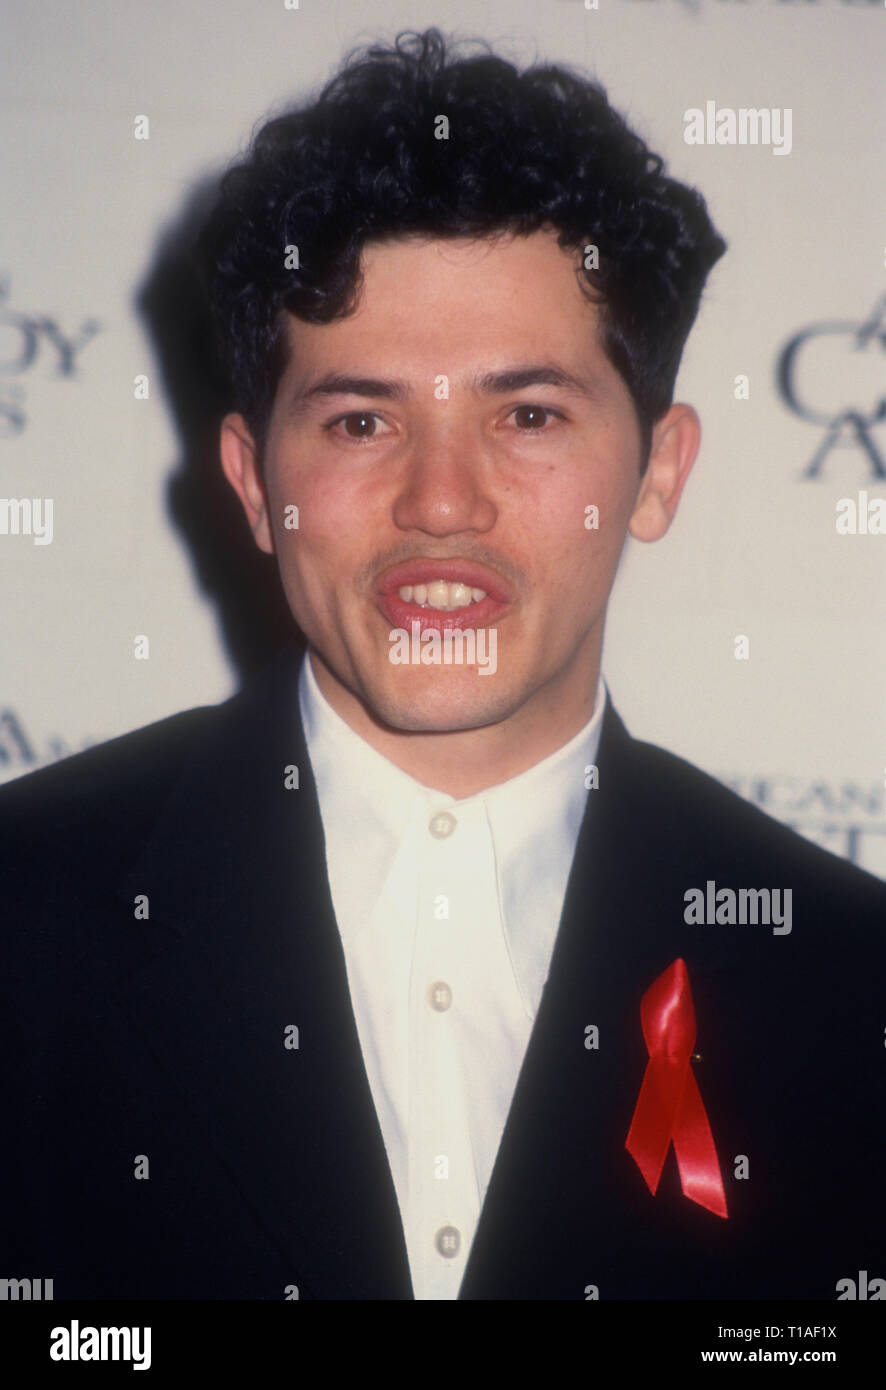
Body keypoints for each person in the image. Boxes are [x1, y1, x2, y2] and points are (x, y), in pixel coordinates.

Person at [1, 28, 884, 1303]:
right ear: (256, 486)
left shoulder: (847, 985)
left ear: (659, 470)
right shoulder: (24, 922)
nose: (440, 502)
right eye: (362, 420)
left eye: (526, 415)